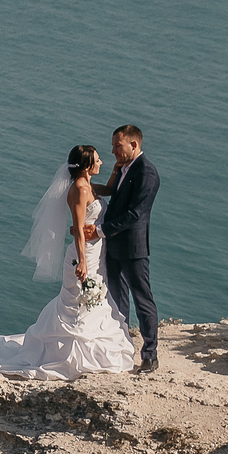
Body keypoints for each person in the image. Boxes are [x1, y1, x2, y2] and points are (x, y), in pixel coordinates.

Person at [0, 144, 141, 381]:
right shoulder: (80, 191)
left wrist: (116, 169)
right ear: (86, 166)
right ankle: (66, 353)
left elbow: (111, 189)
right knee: (77, 302)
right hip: (84, 255)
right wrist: (81, 261)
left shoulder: (88, 186)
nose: (101, 162)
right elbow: (79, 231)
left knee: (94, 300)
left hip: (97, 255)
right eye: (98, 160)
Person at [96, 124, 160, 372]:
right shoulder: (123, 169)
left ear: (133, 144)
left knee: (142, 299)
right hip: (114, 247)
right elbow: (115, 195)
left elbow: (136, 213)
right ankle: (121, 348)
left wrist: (102, 230)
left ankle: (150, 354)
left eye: (117, 145)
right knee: (116, 298)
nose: (113, 151)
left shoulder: (147, 172)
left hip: (134, 249)